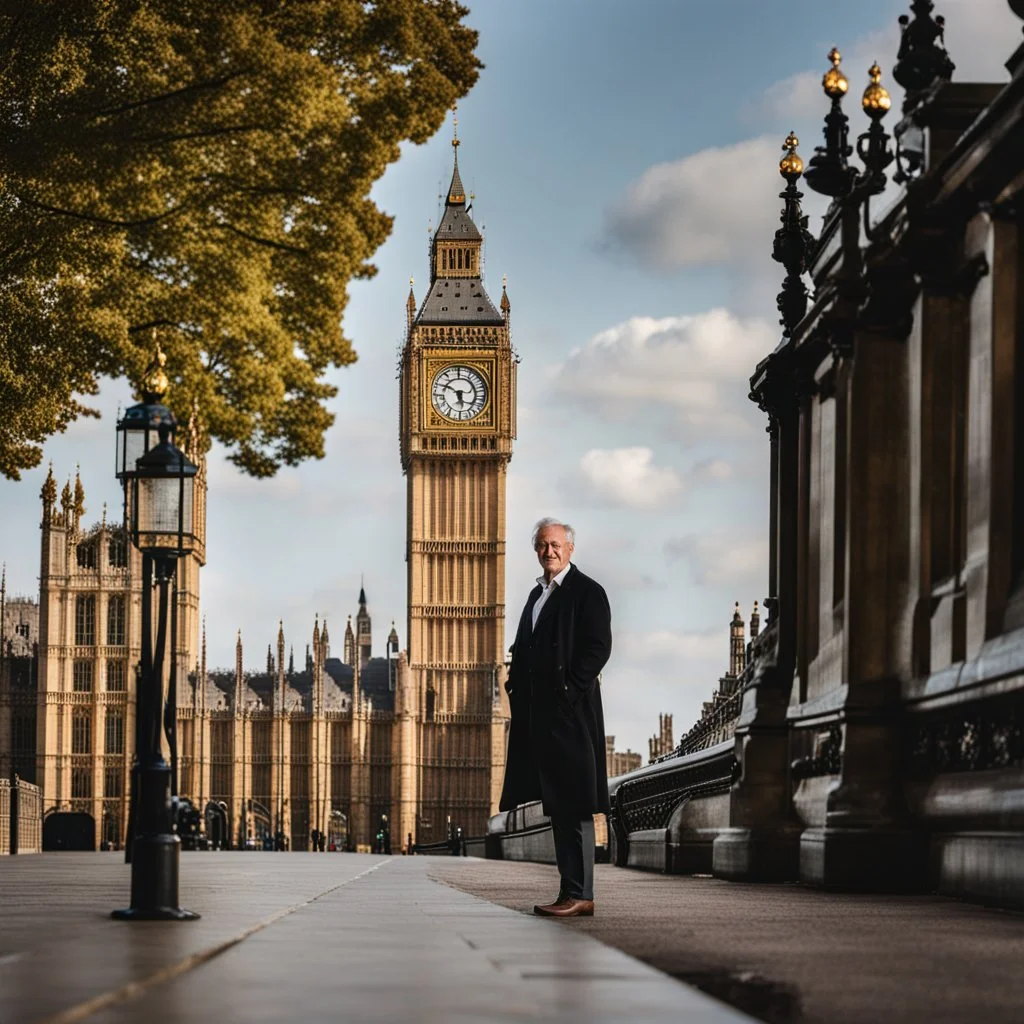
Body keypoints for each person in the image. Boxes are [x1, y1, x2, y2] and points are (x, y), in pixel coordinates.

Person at [500, 517, 612, 917]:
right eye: (543, 545)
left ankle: (581, 894)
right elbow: (521, 649)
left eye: (556, 545)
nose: (550, 551)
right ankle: (571, 891)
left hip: (570, 716)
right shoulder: (536, 596)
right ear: (537, 550)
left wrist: (567, 693)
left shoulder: (587, 591)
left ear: (570, 549)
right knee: (560, 807)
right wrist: (515, 689)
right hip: (540, 718)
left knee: (576, 806)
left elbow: (598, 648)